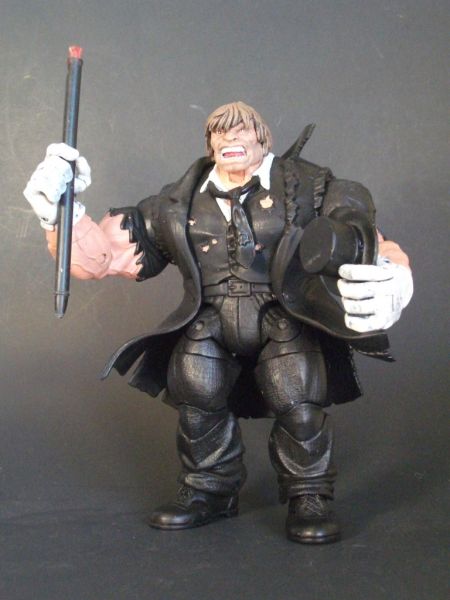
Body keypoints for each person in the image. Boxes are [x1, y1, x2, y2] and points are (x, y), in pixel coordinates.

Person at [24, 101, 412, 544]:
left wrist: (394, 273)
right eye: (220, 132)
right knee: (195, 390)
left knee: (299, 397)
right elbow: (102, 257)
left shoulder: (310, 187)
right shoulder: (175, 203)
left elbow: (360, 237)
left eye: (241, 129)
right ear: (210, 144)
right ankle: (208, 489)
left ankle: (309, 494)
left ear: (262, 137)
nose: (230, 138)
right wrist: (61, 213)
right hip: (209, 317)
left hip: (282, 315)